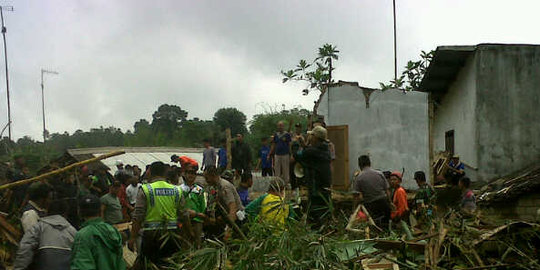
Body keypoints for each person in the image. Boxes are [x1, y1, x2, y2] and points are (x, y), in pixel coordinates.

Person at [129, 161, 195, 268]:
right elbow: (184, 215)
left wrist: (132, 237)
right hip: (172, 236)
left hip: (151, 236)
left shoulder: (146, 189)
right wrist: (190, 232)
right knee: (170, 265)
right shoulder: (177, 190)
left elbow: (138, 216)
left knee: (150, 266)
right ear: (165, 173)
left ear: (150, 172)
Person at [14, 200, 76, 270]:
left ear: (47, 212)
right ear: (66, 214)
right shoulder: (72, 231)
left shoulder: (38, 227)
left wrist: (19, 268)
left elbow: (25, 248)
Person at [71, 194, 125, 270]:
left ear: (79, 212)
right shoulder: (112, 230)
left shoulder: (82, 236)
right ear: (100, 211)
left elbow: (82, 266)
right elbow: (120, 262)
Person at [295, 126, 332, 227]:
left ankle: (316, 235)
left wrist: (300, 145)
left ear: (315, 137)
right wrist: (305, 145)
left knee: (315, 215)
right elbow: (310, 152)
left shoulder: (312, 152)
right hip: (325, 187)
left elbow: (298, 155)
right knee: (325, 213)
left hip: (316, 189)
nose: (309, 137)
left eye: (311, 135)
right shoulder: (326, 150)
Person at [204, 166, 244, 239]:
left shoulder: (224, 187)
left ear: (213, 175)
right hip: (224, 218)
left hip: (236, 220)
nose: (206, 181)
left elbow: (233, 208)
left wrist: (228, 229)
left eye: (207, 178)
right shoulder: (214, 187)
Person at [352, 155, 392, 229]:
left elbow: (356, 196)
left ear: (359, 165)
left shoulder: (359, 177)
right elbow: (387, 190)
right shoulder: (379, 173)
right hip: (384, 202)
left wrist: (354, 210)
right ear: (370, 163)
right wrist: (390, 202)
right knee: (385, 225)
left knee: (374, 226)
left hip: (371, 205)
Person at [179, 161, 207, 248]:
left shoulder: (199, 190)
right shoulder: (179, 189)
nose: (191, 175)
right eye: (189, 173)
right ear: (184, 174)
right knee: (184, 245)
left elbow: (203, 207)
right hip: (183, 221)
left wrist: (197, 214)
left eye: (193, 173)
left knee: (197, 245)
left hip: (197, 221)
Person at [290, 123, 306, 189]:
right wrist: (291, 155)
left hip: (301, 156)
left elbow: (305, 146)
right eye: (296, 127)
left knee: (301, 172)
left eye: (299, 127)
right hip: (294, 155)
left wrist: (301, 140)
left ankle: (301, 185)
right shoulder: (292, 136)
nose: (297, 129)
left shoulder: (303, 136)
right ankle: (293, 186)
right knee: (292, 171)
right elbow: (290, 146)